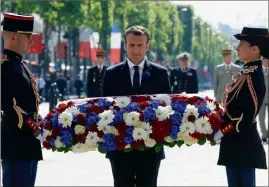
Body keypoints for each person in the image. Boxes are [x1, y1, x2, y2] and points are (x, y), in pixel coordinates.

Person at [102, 25, 171, 187]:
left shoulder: (160, 73)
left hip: (150, 147)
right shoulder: (111, 74)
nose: (135, 49)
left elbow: (167, 107)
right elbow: (104, 108)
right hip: (119, 148)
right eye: (131, 45)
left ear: (147, 46)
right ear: (125, 46)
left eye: (140, 45)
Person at [214, 27, 268, 187]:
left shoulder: (252, 75)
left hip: (241, 141)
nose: (237, 48)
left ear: (255, 49)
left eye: (241, 44)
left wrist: (223, 128)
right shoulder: (248, 72)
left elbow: (245, 113)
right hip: (237, 141)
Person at [1, 13, 43, 187]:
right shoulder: (6, 67)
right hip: (16, 145)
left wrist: (43, 122)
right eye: (28, 37)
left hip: (27, 146)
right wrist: (35, 127)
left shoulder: (19, 66)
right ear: (12, 37)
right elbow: (11, 108)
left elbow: (28, 105)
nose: (31, 42)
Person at [258, 57, 268, 143]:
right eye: (264, 59)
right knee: (261, 118)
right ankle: (264, 134)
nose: (266, 61)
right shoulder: (258, 71)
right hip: (261, 99)